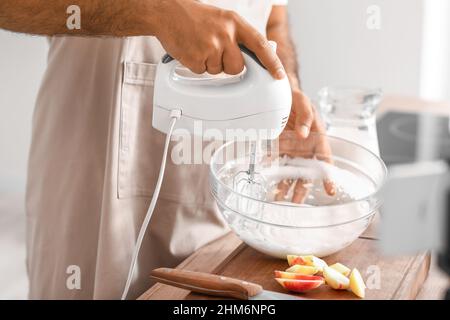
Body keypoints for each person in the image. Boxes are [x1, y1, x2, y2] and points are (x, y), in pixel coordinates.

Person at [0, 0, 333, 299]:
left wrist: (284, 86)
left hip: (225, 202)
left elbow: (273, 16)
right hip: (89, 178)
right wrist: (155, 11)